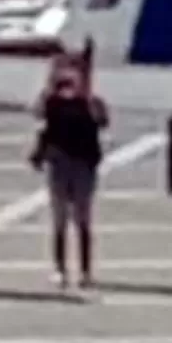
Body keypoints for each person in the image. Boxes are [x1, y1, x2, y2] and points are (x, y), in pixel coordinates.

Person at [32, 55, 109, 288]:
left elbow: (102, 119)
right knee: (59, 218)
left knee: (83, 218)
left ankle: (85, 270)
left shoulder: (92, 102)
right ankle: (59, 267)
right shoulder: (53, 101)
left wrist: (86, 95)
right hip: (59, 162)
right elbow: (37, 112)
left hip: (83, 163)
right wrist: (49, 84)